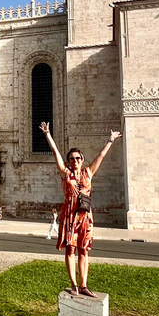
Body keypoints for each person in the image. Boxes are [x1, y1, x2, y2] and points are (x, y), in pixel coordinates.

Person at [40, 121, 121, 297]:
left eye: (78, 158)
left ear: (82, 160)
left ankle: (84, 284)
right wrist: (48, 135)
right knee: (70, 249)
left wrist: (111, 139)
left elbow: (101, 156)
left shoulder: (88, 172)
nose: (75, 160)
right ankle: (74, 284)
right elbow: (55, 153)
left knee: (84, 249)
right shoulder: (65, 173)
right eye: (72, 158)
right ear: (69, 161)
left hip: (85, 215)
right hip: (69, 214)